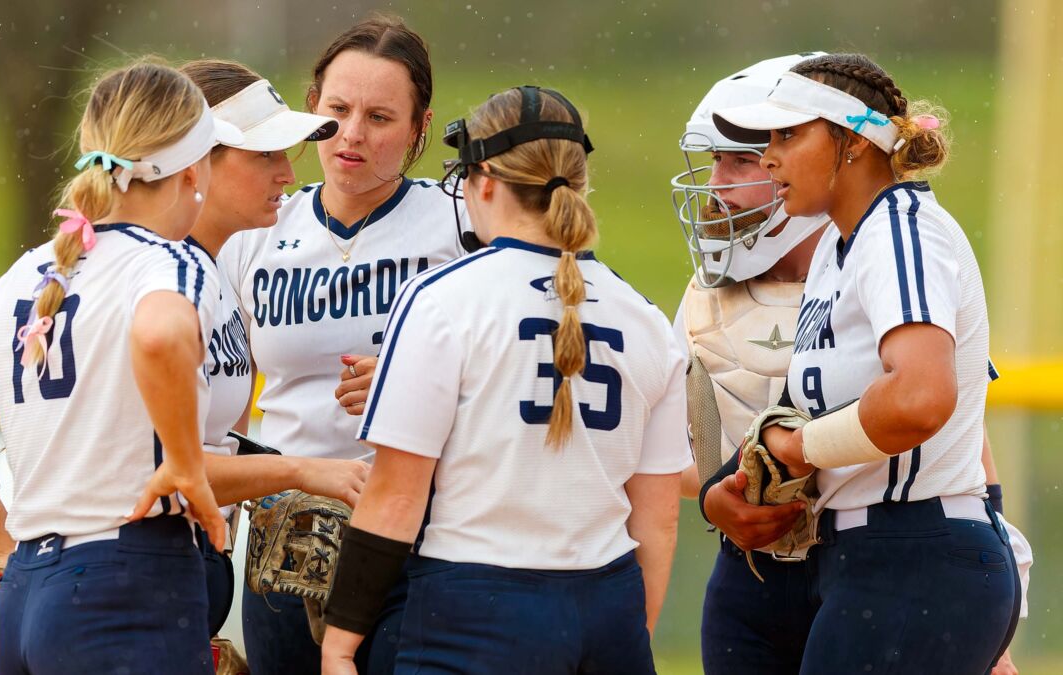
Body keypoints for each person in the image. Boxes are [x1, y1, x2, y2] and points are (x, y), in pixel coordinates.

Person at [319, 84, 690, 675]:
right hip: (608, 604)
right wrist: (628, 635)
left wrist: (339, 644)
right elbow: (658, 519)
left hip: (476, 607)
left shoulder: (441, 298)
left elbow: (396, 497)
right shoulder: (645, 317)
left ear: (485, 179)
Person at [0, 59, 243, 674]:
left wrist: (5, 545)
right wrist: (188, 467)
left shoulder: (30, 271)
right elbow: (161, 335)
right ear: (193, 171)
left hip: (27, 591)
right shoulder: (171, 262)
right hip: (126, 583)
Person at [712, 52, 1019, 673]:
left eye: (787, 135)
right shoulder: (839, 241)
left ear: (852, 141)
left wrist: (798, 449)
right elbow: (817, 404)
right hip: (872, 555)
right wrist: (727, 486)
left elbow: (920, 398)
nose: (769, 157)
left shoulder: (901, 230)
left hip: (918, 551)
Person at [215, 15, 469, 674]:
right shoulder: (255, 231)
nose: (353, 133)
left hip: (420, 534)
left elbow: (528, 361)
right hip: (284, 532)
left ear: (419, 127)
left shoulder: (461, 222)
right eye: (338, 110)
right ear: (311, 109)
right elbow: (227, 397)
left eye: (380, 117)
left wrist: (416, 381)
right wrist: (223, 528)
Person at [178, 58, 371, 646]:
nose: (288, 173)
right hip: (132, 571)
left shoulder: (215, 270)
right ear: (196, 160)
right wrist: (302, 472)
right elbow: (160, 467)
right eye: (265, 154)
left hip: (186, 564)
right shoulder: (154, 279)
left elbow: (218, 436)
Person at [669, 53, 830, 675]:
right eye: (714, 160)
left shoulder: (876, 270)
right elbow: (670, 459)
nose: (716, 185)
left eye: (739, 160)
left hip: (870, 565)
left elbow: (962, 458)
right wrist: (717, 496)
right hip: (747, 580)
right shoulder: (702, 299)